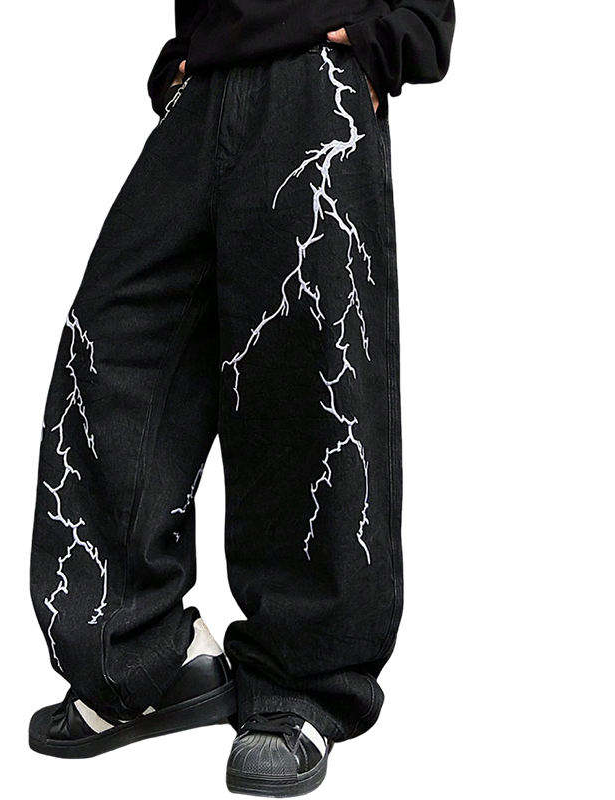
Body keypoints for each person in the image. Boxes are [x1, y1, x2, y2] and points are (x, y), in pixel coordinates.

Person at [28, 2, 455, 795]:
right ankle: (147, 662)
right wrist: (189, 56)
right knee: (116, 343)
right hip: (209, 81)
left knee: (301, 382)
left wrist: (401, 30)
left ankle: (303, 686)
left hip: (313, 77)